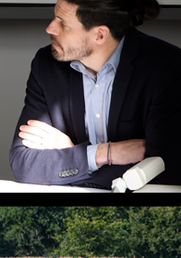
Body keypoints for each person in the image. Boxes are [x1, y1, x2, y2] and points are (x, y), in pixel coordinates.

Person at [9, 0, 181, 188]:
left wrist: (71, 157)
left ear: (100, 35)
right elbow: (24, 166)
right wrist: (103, 153)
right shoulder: (46, 65)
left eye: (63, 23)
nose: (50, 28)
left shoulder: (167, 67)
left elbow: (166, 170)